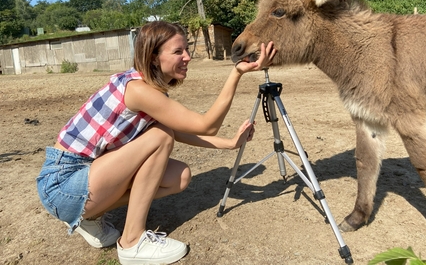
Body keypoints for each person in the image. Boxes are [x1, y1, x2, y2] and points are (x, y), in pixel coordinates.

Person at [36, 21, 276, 265]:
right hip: (63, 184)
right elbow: (205, 125)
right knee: (160, 136)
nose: (188, 57)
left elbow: (178, 130)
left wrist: (229, 143)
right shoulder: (138, 90)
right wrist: (236, 73)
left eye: (187, 49)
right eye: (178, 51)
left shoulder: (146, 87)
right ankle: (132, 243)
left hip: (85, 178)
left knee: (179, 176)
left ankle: (90, 215)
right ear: (153, 57)